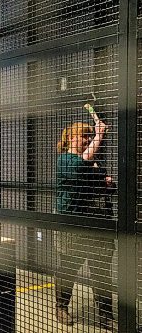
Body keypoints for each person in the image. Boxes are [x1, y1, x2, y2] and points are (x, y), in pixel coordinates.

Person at [55, 120, 115, 329]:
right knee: (69, 268)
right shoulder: (64, 160)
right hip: (73, 224)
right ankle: (61, 307)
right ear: (71, 138)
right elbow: (81, 168)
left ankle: (106, 315)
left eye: (90, 136)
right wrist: (100, 135)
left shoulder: (89, 161)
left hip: (97, 224)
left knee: (101, 272)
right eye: (84, 136)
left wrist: (104, 181)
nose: (88, 139)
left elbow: (106, 185)